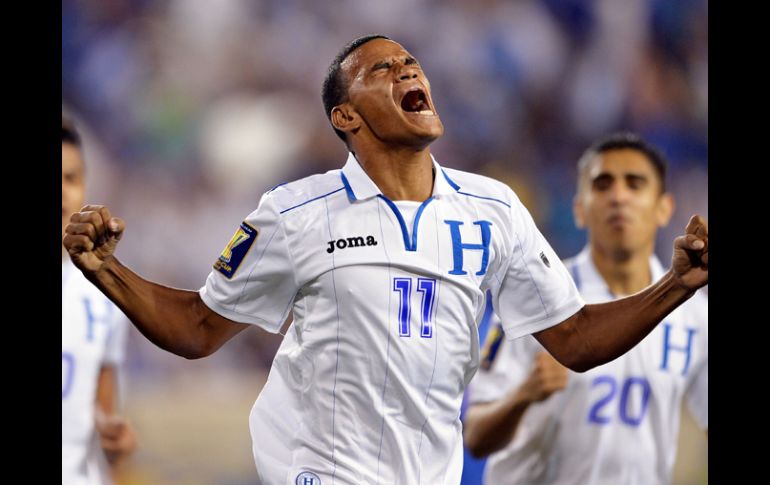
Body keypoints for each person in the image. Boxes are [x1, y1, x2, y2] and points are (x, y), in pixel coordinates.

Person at [62, 35, 708, 484]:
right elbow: (198, 328)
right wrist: (107, 269)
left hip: (429, 471)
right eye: (381, 69)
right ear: (346, 115)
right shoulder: (296, 212)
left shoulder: (493, 208)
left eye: (410, 63)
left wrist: (679, 283)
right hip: (315, 464)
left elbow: (573, 336)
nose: (407, 72)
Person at [463, 132, 707, 484]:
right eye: (602, 184)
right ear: (579, 208)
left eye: (635, 184)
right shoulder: (533, 298)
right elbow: (476, 438)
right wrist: (524, 394)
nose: (618, 197)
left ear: (664, 208)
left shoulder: (696, 313)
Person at [62, 115, 138, 484]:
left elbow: (103, 410)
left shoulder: (104, 292)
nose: (62, 192)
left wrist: (115, 439)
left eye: (71, 179)